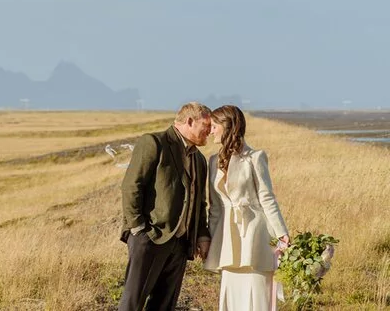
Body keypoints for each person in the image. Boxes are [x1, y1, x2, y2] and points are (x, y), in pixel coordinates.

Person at [118, 102, 212, 311]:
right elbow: (132, 186)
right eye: (206, 125)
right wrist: (139, 229)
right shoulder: (154, 143)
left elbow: (200, 202)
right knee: (132, 303)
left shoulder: (200, 160)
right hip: (150, 238)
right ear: (189, 121)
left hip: (180, 244)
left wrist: (202, 235)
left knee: (165, 305)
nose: (210, 131)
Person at [204, 105, 290, 311]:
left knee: (256, 292)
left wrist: (282, 234)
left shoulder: (255, 157)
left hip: (254, 233)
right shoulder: (213, 161)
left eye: (214, 126)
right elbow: (214, 207)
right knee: (232, 293)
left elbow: (267, 198)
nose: (211, 131)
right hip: (226, 236)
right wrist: (208, 240)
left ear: (227, 127)